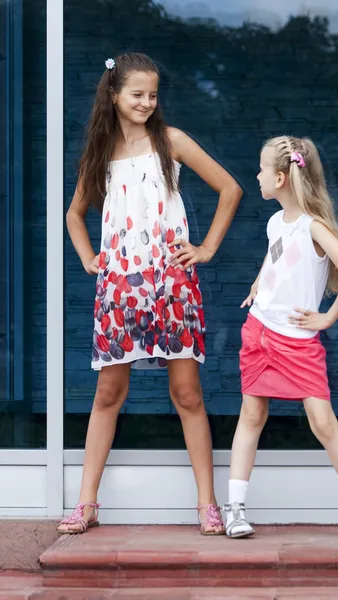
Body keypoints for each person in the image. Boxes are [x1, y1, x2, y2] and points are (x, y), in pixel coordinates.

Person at [57, 52, 242, 535]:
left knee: (187, 394)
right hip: (119, 289)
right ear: (114, 94)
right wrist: (88, 259)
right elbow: (74, 214)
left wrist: (204, 248)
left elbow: (230, 188)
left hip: (170, 285)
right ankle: (86, 504)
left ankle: (208, 505)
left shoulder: (171, 141)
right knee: (107, 394)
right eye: (136, 93)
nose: (146, 102)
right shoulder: (100, 151)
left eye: (153, 94)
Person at [223, 135, 338, 541]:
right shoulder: (275, 221)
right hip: (259, 333)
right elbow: (274, 255)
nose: (257, 176)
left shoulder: (314, 227)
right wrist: (258, 284)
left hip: (298, 342)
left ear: (280, 178)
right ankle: (235, 509)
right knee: (252, 416)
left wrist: (327, 318)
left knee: (323, 422)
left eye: (262, 170)